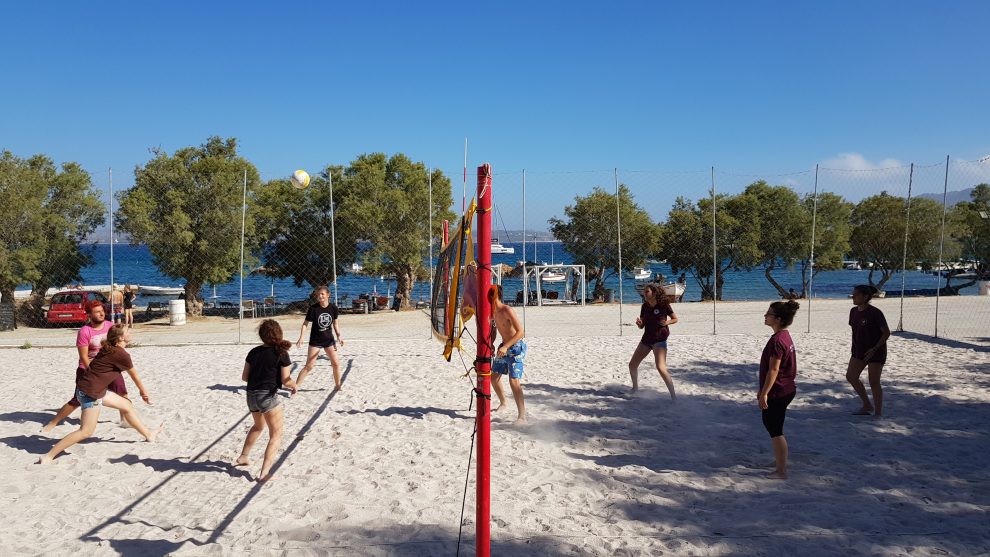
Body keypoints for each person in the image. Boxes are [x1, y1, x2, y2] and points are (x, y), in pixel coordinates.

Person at [39, 325, 160, 463]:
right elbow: (134, 375)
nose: (130, 332)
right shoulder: (121, 354)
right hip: (90, 393)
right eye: (127, 331)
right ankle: (48, 456)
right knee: (86, 431)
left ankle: (148, 434)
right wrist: (143, 392)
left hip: (92, 389)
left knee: (126, 405)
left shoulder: (109, 348)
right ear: (121, 337)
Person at [42, 301, 125, 433]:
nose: (102, 313)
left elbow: (117, 347)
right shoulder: (84, 331)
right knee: (77, 400)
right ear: (89, 315)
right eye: (97, 312)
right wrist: (93, 372)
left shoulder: (110, 326)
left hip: (108, 369)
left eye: (102, 311)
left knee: (122, 392)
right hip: (88, 370)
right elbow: (84, 357)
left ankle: (124, 420)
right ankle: (53, 422)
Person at [236, 319, 298, 482]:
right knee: (276, 434)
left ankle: (243, 456)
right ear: (279, 334)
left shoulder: (254, 352)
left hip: (251, 396)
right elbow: (286, 380)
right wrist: (294, 385)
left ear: (261, 336)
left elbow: (245, 377)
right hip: (267, 397)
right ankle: (264, 473)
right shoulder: (281, 353)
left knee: (258, 426)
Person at [759, 299, 800, 480]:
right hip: (787, 388)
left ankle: (781, 471)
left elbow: (774, 370)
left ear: (778, 319)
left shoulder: (777, 341)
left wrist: (764, 393)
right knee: (775, 427)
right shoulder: (784, 335)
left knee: (775, 430)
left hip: (779, 391)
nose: (765, 316)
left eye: (768, 314)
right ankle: (779, 460)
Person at [846, 284, 891, 418]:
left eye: (856, 294)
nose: (853, 296)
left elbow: (886, 333)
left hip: (875, 351)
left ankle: (878, 412)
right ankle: (867, 405)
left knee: (874, 381)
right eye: (853, 294)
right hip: (859, 350)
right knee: (851, 377)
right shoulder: (853, 311)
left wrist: (874, 348)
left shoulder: (875, 313)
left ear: (865, 297)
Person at [628, 283, 678, 399]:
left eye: (647, 292)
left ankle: (674, 397)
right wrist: (639, 324)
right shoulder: (644, 306)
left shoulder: (664, 305)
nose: (644, 294)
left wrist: (666, 322)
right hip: (647, 339)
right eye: (644, 292)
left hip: (659, 340)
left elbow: (675, 319)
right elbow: (642, 325)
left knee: (661, 368)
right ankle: (635, 389)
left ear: (654, 293)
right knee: (632, 365)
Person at [489, 284, 527, 424]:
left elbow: (521, 332)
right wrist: (491, 343)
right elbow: (494, 330)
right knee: (494, 378)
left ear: (496, 295)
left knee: (514, 381)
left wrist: (506, 346)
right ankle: (503, 403)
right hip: (503, 347)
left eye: (490, 294)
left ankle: (522, 416)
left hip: (515, 347)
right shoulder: (492, 312)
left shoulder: (507, 310)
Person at [295, 286, 344, 391]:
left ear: (328, 295)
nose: (320, 296)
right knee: (309, 366)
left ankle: (338, 385)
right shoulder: (313, 309)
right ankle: (295, 387)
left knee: (336, 363)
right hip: (315, 341)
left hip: (329, 340)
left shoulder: (333, 308)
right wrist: (301, 337)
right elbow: (305, 324)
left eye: (322, 294)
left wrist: (339, 336)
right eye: (318, 294)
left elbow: (335, 323)